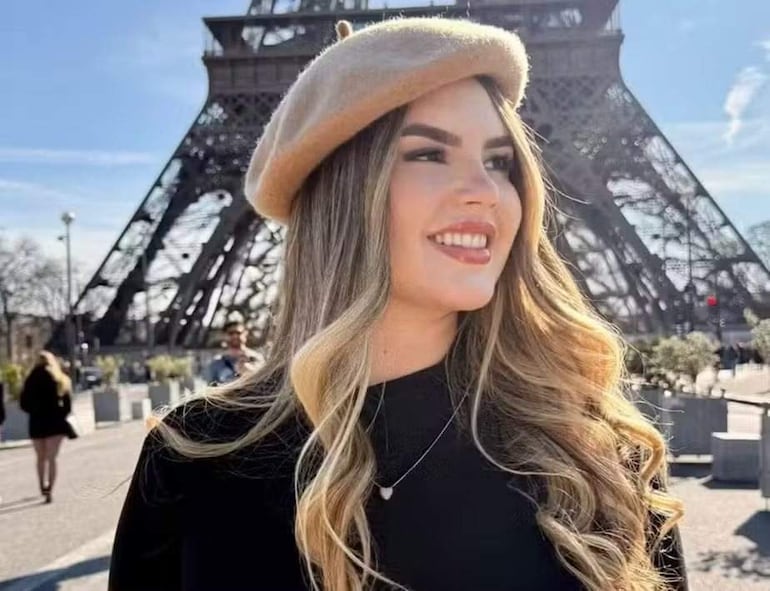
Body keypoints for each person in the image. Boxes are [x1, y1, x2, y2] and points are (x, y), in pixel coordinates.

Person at [109, 17, 687, 591]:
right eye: (429, 155)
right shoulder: (194, 455)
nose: (485, 192)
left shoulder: (595, 451)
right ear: (342, 192)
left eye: (499, 161)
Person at [19, 351, 73, 504]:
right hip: (55, 423)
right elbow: (67, 405)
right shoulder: (60, 379)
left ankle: (41, 485)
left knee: (40, 457)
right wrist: (59, 413)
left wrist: (35, 410)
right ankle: (50, 489)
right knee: (52, 458)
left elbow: (23, 403)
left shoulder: (30, 379)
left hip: (37, 422)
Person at [204, 320, 259, 385]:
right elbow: (211, 387)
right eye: (231, 333)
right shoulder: (216, 362)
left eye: (238, 333)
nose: (235, 336)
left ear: (245, 334)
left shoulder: (256, 358)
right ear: (224, 335)